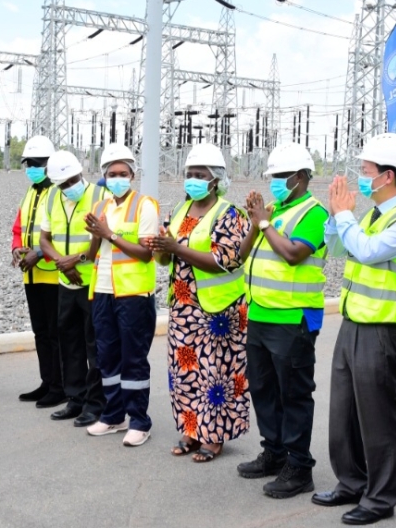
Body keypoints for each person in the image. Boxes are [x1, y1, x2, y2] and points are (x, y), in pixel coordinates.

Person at [315, 133, 396, 526]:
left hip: (381, 330)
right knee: (343, 411)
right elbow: (340, 249)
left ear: (389, 176)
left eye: (367, 172)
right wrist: (336, 215)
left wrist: (345, 218)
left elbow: (367, 250)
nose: (361, 179)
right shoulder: (369, 215)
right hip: (353, 323)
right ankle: (350, 482)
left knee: (377, 417)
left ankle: (380, 498)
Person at [236, 142, 329, 499]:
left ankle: (299, 466)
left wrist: (263, 222)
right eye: (272, 176)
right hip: (259, 312)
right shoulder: (273, 211)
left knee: (294, 395)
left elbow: (293, 254)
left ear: (301, 177)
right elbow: (244, 254)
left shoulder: (315, 213)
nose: (273, 182)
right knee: (264, 389)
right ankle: (273, 452)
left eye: (279, 176)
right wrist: (256, 223)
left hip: (293, 319)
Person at [148, 143, 251, 463]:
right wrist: (162, 248)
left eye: (199, 175)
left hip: (218, 312)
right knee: (184, 371)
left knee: (215, 375)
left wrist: (175, 248)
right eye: (189, 174)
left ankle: (214, 436)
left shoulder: (229, 213)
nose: (192, 180)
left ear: (216, 180)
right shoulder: (179, 210)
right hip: (183, 309)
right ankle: (191, 429)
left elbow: (226, 260)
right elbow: (164, 258)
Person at [83, 144, 160, 447]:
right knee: (107, 357)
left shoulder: (145, 206)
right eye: (112, 174)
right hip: (102, 290)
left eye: (123, 173)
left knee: (133, 359)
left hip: (133, 294)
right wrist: (94, 235)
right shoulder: (101, 207)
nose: (118, 178)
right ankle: (113, 415)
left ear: (132, 174)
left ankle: (139, 421)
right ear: (104, 177)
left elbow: (145, 253)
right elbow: (93, 253)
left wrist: (109, 234)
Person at [40, 150, 107, 427]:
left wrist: (78, 260)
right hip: (66, 282)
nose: (70, 186)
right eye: (64, 183)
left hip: (93, 283)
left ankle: (95, 405)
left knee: (95, 347)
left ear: (82, 173)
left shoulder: (99, 198)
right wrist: (61, 263)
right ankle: (75, 399)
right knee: (70, 344)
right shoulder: (53, 197)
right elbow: (44, 239)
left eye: (74, 179)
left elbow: (101, 239)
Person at [11, 135, 66, 408]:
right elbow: (19, 227)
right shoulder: (31, 192)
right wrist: (16, 249)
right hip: (31, 274)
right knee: (41, 332)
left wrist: (40, 253)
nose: (31, 167)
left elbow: (65, 232)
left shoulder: (58, 192)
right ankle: (47, 382)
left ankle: (60, 386)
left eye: (36, 163)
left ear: (49, 164)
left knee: (57, 334)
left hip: (52, 274)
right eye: (28, 163)